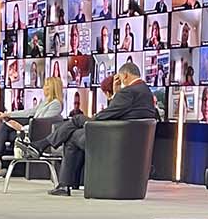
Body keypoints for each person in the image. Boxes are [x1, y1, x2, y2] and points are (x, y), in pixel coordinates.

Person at [46, 62, 159, 196]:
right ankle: (45, 148)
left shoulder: (128, 92)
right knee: (76, 127)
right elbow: (118, 113)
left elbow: (106, 115)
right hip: (128, 140)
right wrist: (116, 95)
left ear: (125, 76)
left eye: (120, 78)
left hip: (114, 141)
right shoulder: (145, 91)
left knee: (74, 131)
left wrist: (115, 95)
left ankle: (63, 182)